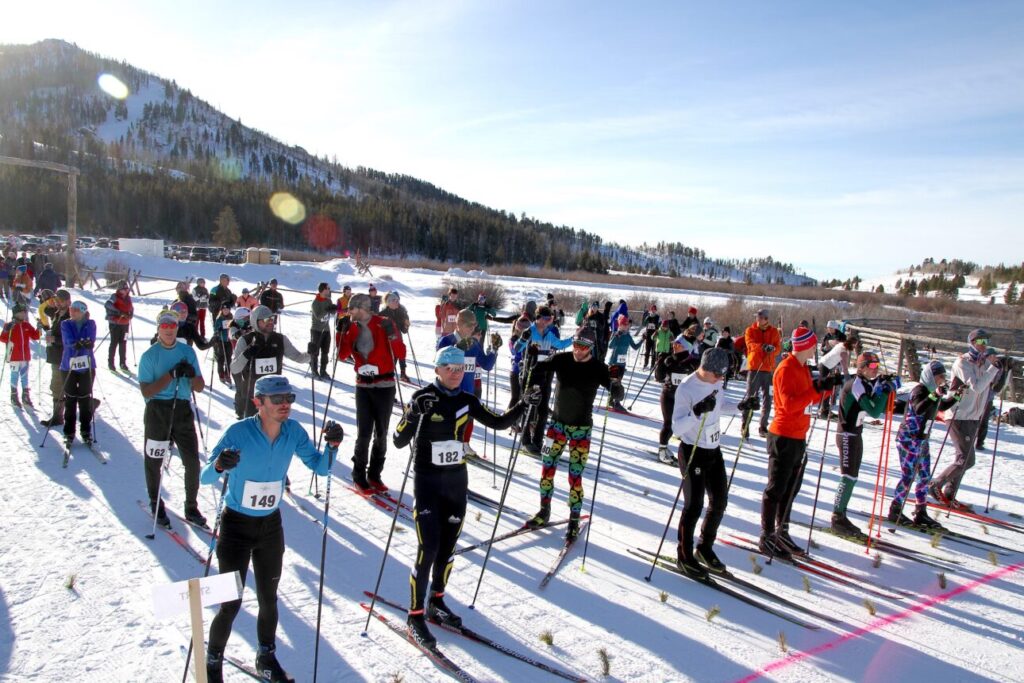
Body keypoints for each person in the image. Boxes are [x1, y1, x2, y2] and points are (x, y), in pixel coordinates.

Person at [393, 347, 539, 649]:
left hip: (457, 483)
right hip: (428, 482)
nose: (455, 372)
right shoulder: (423, 397)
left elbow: (498, 423)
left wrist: (523, 404)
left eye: (460, 368)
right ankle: (415, 615)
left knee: (448, 548)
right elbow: (398, 440)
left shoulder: (467, 400)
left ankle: (437, 601)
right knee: (428, 548)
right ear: (437, 369)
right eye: (448, 367)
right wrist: (413, 412)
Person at [202, 375, 343, 682]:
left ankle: (266, 656)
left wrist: (332, 446)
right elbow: (204, 477)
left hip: (269, 526)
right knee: (231, 603)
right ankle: (213, 661)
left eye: (289, 399)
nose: (284, 405)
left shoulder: (293, 432)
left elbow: (319, 467)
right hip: (236, 526)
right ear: (258, 402)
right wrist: (219, 465)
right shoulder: (238, 432)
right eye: (277, 400)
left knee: (269, 597)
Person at [524, 327, 621, 539]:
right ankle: (544, 511)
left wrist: (616, 384)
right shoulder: (562, 359)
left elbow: (615, 393)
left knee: (574, 477)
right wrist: (531, 387)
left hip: (581, 431)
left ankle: (574, 520)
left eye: (583, 347)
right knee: (546, 471)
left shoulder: (598, 368)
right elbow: (538, 369)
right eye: (576, 345)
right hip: (556, 426)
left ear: (591, 348)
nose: (578, 350)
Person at [758, 326, 842, 559]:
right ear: (805, 346)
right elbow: (790, 404)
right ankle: (766, 536)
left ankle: (781, 530)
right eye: (813, 344)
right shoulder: (785, 369)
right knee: (776, 488)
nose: (816, 348)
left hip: (799, 436)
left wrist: (825, 389)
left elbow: (808, 399)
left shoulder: (803, 368)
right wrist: (816, 388)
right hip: (783, 436)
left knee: (791, 489)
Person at [671, 348, 737, 578]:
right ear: (706, 369)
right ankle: (684, 556)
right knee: (694, 505)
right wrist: (696, 412)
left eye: (723, 376)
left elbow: (721, 404)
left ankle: (704, 548)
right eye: (718, 375)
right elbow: (676, 428)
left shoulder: (717, 382)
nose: (720, 379)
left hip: (713, 450)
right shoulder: (687, 388)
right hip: (692, 450)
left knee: (719, 501)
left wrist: (741, 405)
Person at [138, 309, 207, 527]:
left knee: (192, 462)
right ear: (158, 329)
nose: (169, 330)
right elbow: (147, 392)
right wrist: (170, 375)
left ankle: (191, 506)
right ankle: (155, 503)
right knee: (154, 460)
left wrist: (191, 374)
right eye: (165, 326)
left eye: (172, 326)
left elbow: (200, 387)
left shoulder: (187, 352)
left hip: (183, 410)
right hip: (158, 411)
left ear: (177, 328)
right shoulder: (150, 356)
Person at [929, 329, 1008, 510]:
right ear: (971, 342)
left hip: (973, 416)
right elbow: (978, 387)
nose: (984, 343)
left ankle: (949, 493)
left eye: (986, 340)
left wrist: (1002, 371)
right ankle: (935, 485)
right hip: (958, 414)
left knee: (963, 459)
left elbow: (993, 389)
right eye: (980, 340)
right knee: (966, 459)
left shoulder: (983, 365)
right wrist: (992, 368)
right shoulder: (963, 362)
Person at [337, 293, 405, 491]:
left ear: (363, 308)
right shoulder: (351, 327)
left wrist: (392, 334)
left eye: (352, 309)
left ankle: (375, 474)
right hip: (363, 386)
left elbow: (400, 353)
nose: (349, 312)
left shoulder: (384, 323)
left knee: (381, 433)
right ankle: (358, 475)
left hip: (385, 385)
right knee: (364, 433)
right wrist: (340, 333)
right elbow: (342, 355)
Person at [829, 351, 894, 536]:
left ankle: (842, 514)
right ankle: (837, 516)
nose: (876, 369)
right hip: (847, 434)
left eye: (877, 365)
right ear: (862, 367)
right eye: (872, 366)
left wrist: (884, 384)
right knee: (848, 476)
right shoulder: (856, 384)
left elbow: (877, 399)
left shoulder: (865, 382)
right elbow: (874, 411)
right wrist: (884, 391)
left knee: (853, 477)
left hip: (856, 434)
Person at [889, 360, 960, 529]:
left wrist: (956, 395)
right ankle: (895, 509)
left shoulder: (931, 392)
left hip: (922, 440)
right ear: (930, 376)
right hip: (908, 439)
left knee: (924, 477)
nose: (942, 379)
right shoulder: (919, 390)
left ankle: (921, 511)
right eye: (939, 376)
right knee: (908, 476)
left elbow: (940, 406)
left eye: (943, 376)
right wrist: (935, 394)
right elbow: (919, 408)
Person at [436, 309, 499, 456]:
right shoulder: (447, 340)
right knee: (451, 422)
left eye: (474, 325)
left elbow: (487, 365)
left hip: (468, 391)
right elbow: (439, 363)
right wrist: (458, 349)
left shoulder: (474, 344)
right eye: (469, 325)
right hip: (449, 391)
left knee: (468, 419)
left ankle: (465, 444)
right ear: (458, 324)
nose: (472, 329)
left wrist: (494, 350)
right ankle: (449, 447)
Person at [230, 305, 310, 420]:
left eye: (272, 319)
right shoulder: (245, 340)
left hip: (275, 397)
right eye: (266, 320)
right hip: (253, 397)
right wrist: (246, 354)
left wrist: (311, 354)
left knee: (275, 433)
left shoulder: (280, 339)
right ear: (255, 321)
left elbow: (298, 357)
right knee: (254, 434)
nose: (270, 322)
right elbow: (234, 369)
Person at [519, 306, 575, 455]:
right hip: (530, 374)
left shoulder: (549, 334)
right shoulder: (530, 332)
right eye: (546, 319)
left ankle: (537, 441)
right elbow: (517, 349)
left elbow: (561, 344)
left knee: (543, 411)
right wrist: (523, 340)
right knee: (529, 408)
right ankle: (525, 441)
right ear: (538, 318)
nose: (548, 321)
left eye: (550, 319)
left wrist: (574, 338)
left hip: (543, 375)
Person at [61, 301, 98, 447]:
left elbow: (91, 337)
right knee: (70, 399)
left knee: (84, 399)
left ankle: (86, 431)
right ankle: (69, 432)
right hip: (68, 365)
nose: (72, 312)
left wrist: (88, 343)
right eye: (71, 309)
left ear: (83, 311)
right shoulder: (66, 324)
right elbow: (68, 339)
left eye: (76, 310)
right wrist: (75, 343)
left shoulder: (90, 323)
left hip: (86, 366)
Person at [741, 309, 782, 439]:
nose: (758, 320)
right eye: (757, 318)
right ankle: (745, 426)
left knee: (768, 399)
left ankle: (763, 426)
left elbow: (778, 347)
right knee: (750, 398)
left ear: (766, 319)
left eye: (760, 318)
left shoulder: (774, 331)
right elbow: (750, 344)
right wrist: (763, 347)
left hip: (769, 369)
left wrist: (773, 349)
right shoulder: (750, 330)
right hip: (755, 368)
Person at [39, 289, 71, 426]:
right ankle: (58, 415)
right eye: (56, 300)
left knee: (59, 386)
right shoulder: (57, 313)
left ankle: (59, 417)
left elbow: (70, 338)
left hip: (63, 356)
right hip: (56, 355)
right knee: (57, 386)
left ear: (68, 302)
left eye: (60, 300)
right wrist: (47, 330)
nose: (57, 303)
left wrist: (54, 339)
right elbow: (44, 309)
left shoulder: (70, 316)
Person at [2, 302, 40, 406]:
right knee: (14, 375)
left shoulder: (26, 325)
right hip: (14, 356)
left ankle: (25, 395)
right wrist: (6, 330)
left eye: (25, 312)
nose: (24, 314)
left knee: (24, 376)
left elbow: (35, 336)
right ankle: (14, 395)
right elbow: (3, 338)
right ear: (16, 314)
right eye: (22, 312)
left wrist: (39, 328)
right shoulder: (9, 325)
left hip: (25, 356)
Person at [606, 315, 642, 410]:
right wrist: (616, 336)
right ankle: (613, 401)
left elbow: (635, 347)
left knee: (618, 382)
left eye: (627, 325)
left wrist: (642, 339)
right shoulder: (616, 333)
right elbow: (610, 346)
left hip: (622, 364)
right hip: (613, 362)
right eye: (624, 325)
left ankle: (614, 401)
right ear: (620, 325)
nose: (626, 326)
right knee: (614, 382)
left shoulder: (628, 336)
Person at [379, 291, 412, 382]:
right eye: (395, 300)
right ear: (389, 302)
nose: (397, 302)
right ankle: (389, 373)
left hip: (398, 337)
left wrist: (406, 325)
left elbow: (404, 330)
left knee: (401, 353)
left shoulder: (400, 312)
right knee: (392, 357)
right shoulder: (382, 314)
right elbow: (379, 330)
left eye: (398, 300)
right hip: (387, 340)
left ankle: (402, 373)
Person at [103, 280, 134, 372]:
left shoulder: (128, 298)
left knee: (123, 343)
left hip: (125, 324)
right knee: (114, 343)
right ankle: (111, 363)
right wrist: (118, 311)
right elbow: (107, 304)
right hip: (115, 323)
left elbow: (131, 308)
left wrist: (131, 314)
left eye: (127, 289)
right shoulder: (114, 296)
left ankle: (123, 363)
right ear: (119, 289)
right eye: (124, 289)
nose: (126, 291)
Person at [309, 282, 334, 379]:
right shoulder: (315, 302)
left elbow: (332, 312)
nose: (329, 290)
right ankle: (314, 370)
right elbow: (318, 316)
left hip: (326, 330)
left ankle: (323, 370)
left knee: (325, 352)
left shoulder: (328, 300)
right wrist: (327, 310)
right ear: (323, 289)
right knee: (315, 352)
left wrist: (333, 309)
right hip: (316, 330)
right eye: (328, 288)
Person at [212, 302, 236, 385]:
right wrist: (219, 330)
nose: (225, 311)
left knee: (229, 358)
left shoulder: (232, 317)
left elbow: (235, 326)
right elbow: (215, 329)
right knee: (221, 359)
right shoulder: (219, 318)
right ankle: (221, 374)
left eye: (227, 309)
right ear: (222, 310)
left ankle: (227, 374)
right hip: (221, 341)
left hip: (229, 340)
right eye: (224, 309)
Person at [640, 304, 660, 369]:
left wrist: (657, 328)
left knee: (653, 351)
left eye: (654, 310)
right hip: (648, 335)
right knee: (647, 351)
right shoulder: (648, 316)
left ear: (656, 310)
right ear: (651, 310)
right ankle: (645, 363)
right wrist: (646, 317)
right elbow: (644, 324)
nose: (653, 311)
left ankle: (652, 364)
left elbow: (660, 325)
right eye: (652, 310)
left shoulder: (658, 317)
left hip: (654, 335)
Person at [335, 285, 353, 351]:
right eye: (347, 291)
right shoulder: (340, 300)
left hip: (350, 320)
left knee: (349, 336)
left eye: (350, 291)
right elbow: (337, 310)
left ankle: (347, 352)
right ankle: (339, 351)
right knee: (341, 336)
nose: (349, 292)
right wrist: (344, 310)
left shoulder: (352, 299)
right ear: (344, 292)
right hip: (342, 320)